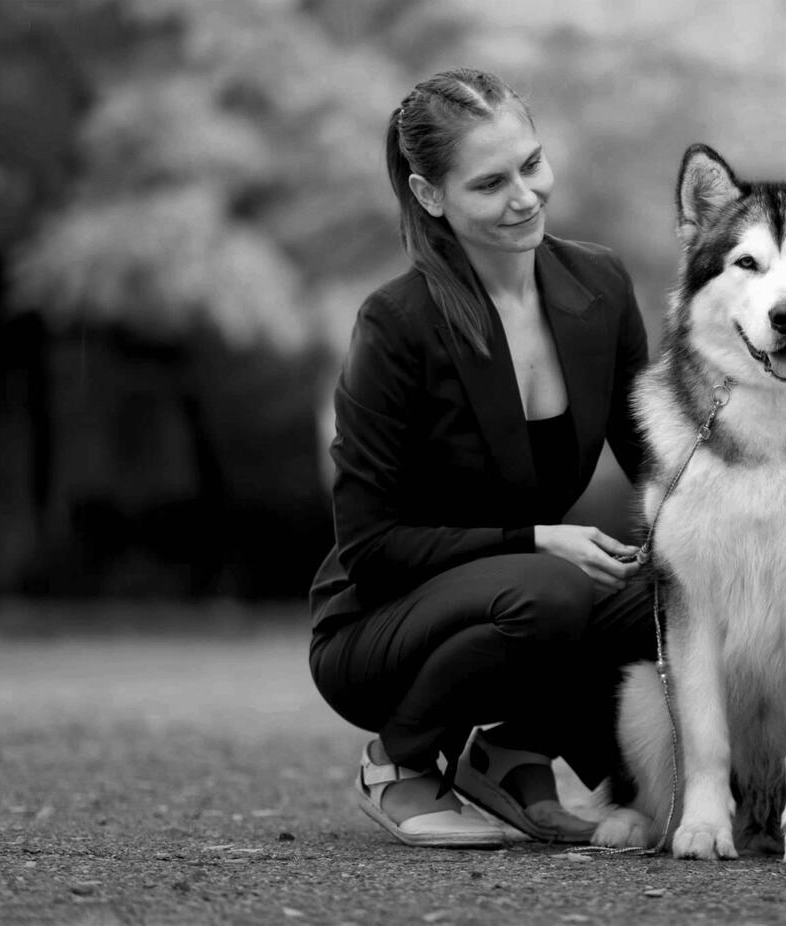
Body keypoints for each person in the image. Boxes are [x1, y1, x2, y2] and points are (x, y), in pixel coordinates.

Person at [308, 67, 654, 849]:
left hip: (530, 596)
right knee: (554, 587)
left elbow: (658, 459)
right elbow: (368, 548)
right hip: (381, 625)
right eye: (491, 183)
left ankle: (512, 752)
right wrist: (533, 540)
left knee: (681, 580)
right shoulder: (396, 324)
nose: (526, 196)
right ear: (432, 197)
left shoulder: (597, 285)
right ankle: (398, 764)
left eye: (531, 165)